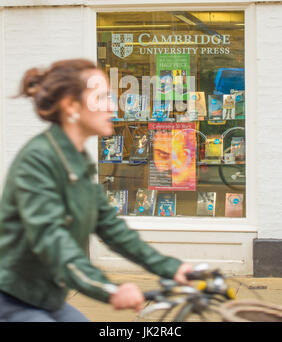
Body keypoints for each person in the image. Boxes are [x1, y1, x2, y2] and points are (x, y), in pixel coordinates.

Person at [0, 59, 193, 322]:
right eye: (101, 97)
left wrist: (171, 268)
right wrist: (110, 290)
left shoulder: (77, 160)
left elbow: (110, 226)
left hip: (48, 297)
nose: (113, 106)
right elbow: (52, 242)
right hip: (11, 298)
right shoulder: (38, 161)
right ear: (72, 106)